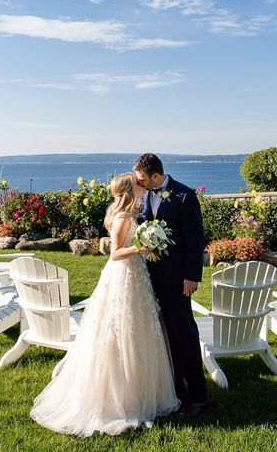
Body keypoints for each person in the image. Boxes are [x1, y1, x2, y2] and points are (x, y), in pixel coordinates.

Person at [30, 172, 179, 437]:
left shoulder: (130, 213)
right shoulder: (123, 217)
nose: (142, 186)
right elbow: (116, 253)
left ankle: (140, 390)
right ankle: (117, 397)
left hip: (136, 275)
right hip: (124, 273)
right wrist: (142, 247)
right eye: (138, 184)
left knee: (137, 328)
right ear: (128, 190)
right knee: (118, 328)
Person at [133, 153, 208, 416]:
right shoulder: (144, 195)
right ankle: (175, 390)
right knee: (163, 335)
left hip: (178, 279)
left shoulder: (184, 196)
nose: (139, 184)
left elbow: (195, 240)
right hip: (149, 277)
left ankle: (198, 395)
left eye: (142, 179)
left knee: (184, 333)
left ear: (156, 175)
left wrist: (191, 277)